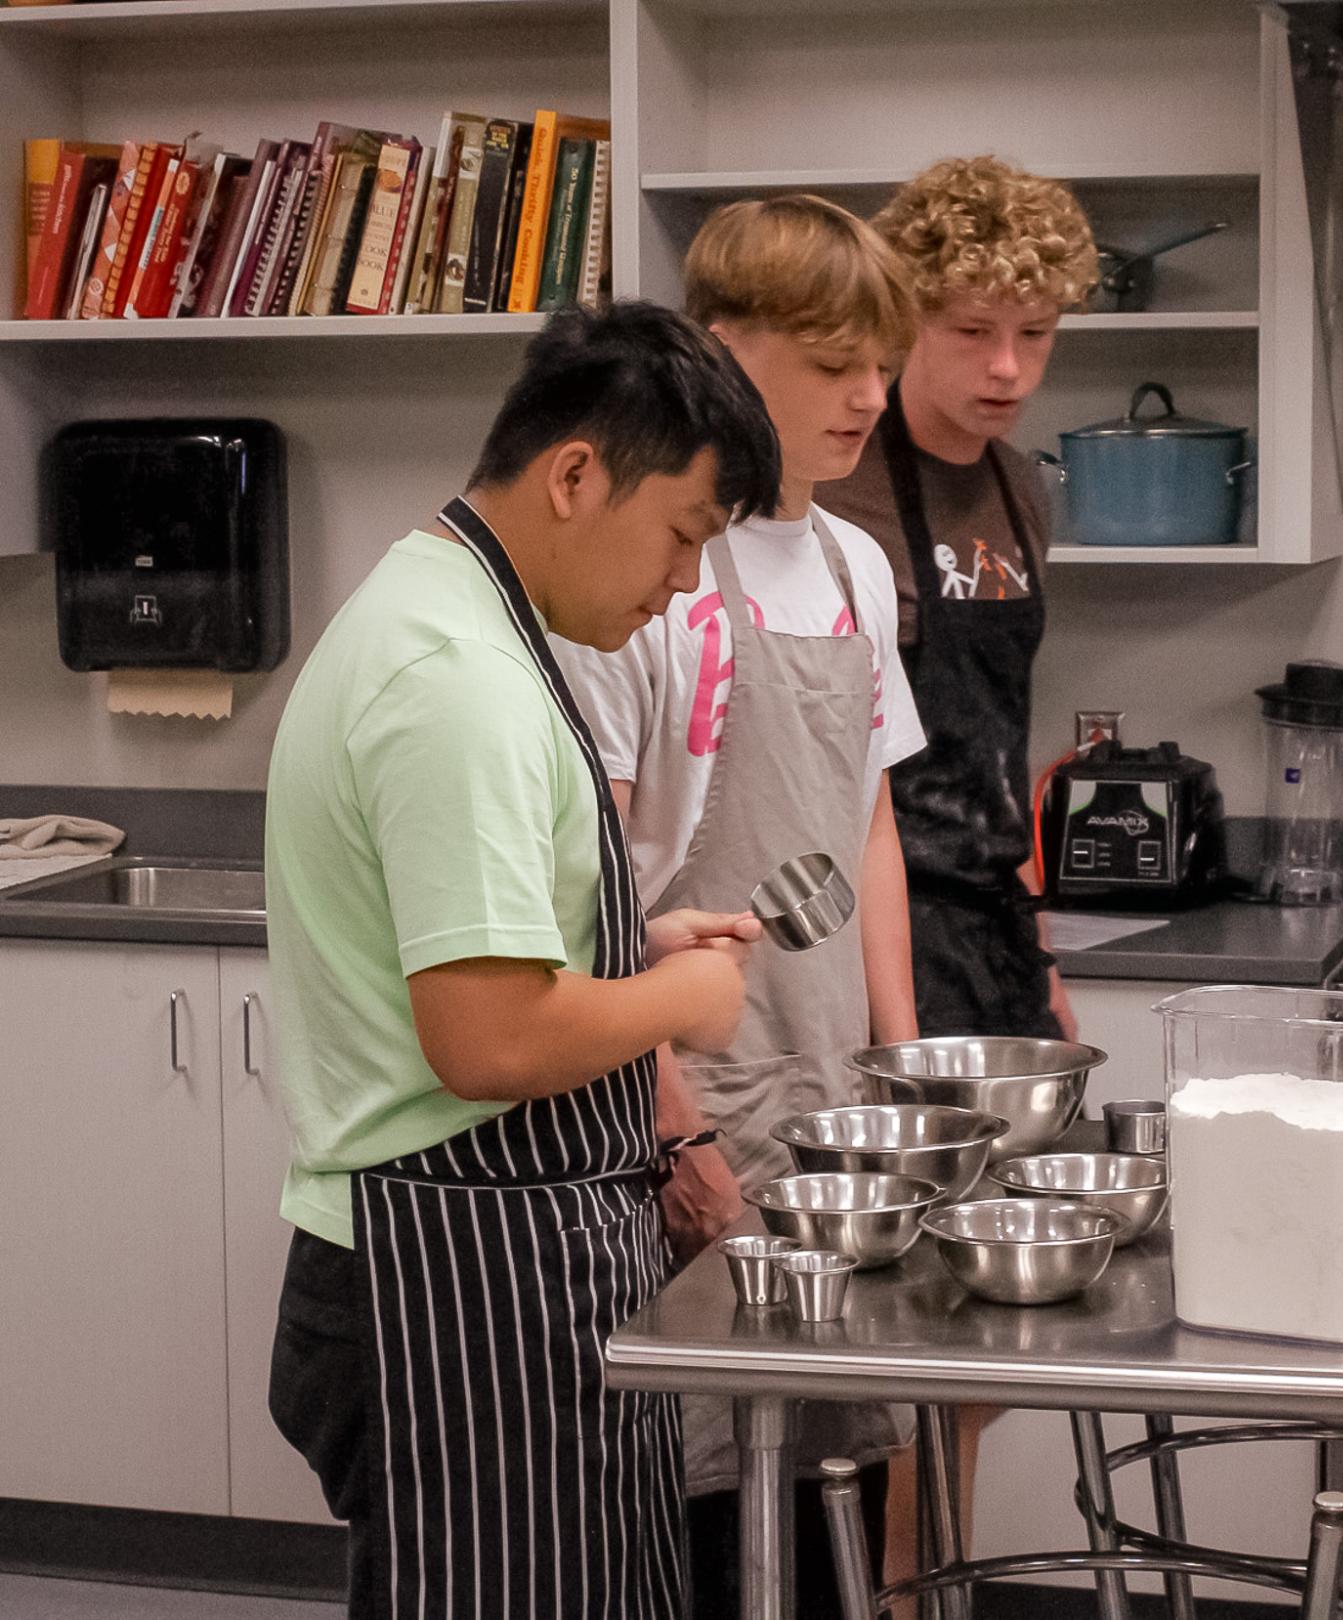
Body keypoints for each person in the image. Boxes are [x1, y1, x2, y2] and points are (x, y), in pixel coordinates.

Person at [262, 302, 782, 1619]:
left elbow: (454, 945)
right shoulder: (458, 681)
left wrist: (627, 938)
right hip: (451, 1283)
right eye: (682, 537)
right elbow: (485, 1041)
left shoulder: (452, 610)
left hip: (483, 1266)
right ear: (574, 475)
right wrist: (686, 994)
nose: (681, 587)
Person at [553, 195, 924, 1618]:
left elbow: (865, 815)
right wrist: (676, 1124)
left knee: (842, 1461)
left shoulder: (853, 564)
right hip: (688, 1080)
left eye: (878, 363)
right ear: (723, 350)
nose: (868, 397)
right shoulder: (656, 573)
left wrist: (902, 1069)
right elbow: (591, 896)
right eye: (834, 360)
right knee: (710, 1484)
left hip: (832, 1080)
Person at [817, 154, 1099, 1045]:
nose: (1008, 368)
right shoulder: (834, 485)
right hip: (874, 924)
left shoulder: (1023, 488)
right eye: (973, 331)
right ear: (907, 321)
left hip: (997, 925)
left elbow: (999, 748)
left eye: (1037, 334)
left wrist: (1041, 961)